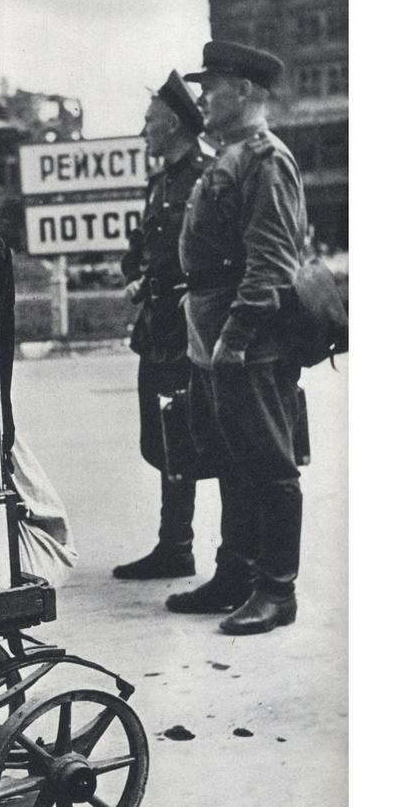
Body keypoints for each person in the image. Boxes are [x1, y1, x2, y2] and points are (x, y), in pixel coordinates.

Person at [164, 40, 307, 636]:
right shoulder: (230, 155)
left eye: (212, 85)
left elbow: (272, 261)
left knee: (270, 466)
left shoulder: (264, 159)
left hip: (248, 340)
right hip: (214, 333)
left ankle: (277, 591)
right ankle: (236, 573)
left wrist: (237, 337)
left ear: (245, 91)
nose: (202, 96)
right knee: (229, 460)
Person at [113, 71, 209, 581]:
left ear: (172, 124)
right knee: (161, 440)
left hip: (190, 330)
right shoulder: (161, 184)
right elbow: (140, 251)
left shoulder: (205, 177)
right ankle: (174, 544)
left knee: (188, 437)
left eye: (150, 120)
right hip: (157, 332)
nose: (144, 129)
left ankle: (179, 546)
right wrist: (137, 279)